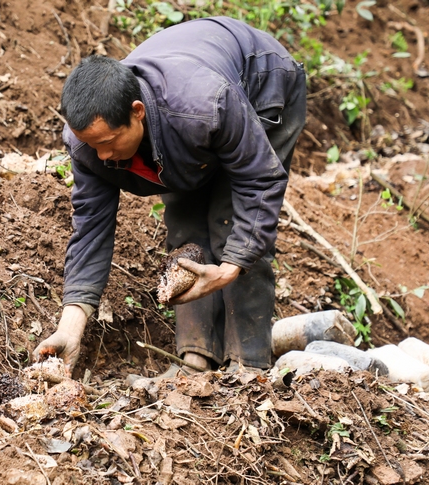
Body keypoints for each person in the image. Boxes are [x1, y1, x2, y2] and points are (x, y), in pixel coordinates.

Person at [33, 16, 307, 374]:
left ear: (137, 113)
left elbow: (258, 182)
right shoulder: (89, 146)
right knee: (186, 236)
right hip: (188, 115)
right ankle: (196, 359)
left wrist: (230, 268)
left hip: (263, 81)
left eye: (108, 142)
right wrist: (69, 328)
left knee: (232, 227)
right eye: (91, 144)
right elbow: (90, 231)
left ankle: (247, 367)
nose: (101, 155)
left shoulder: (205, 107)